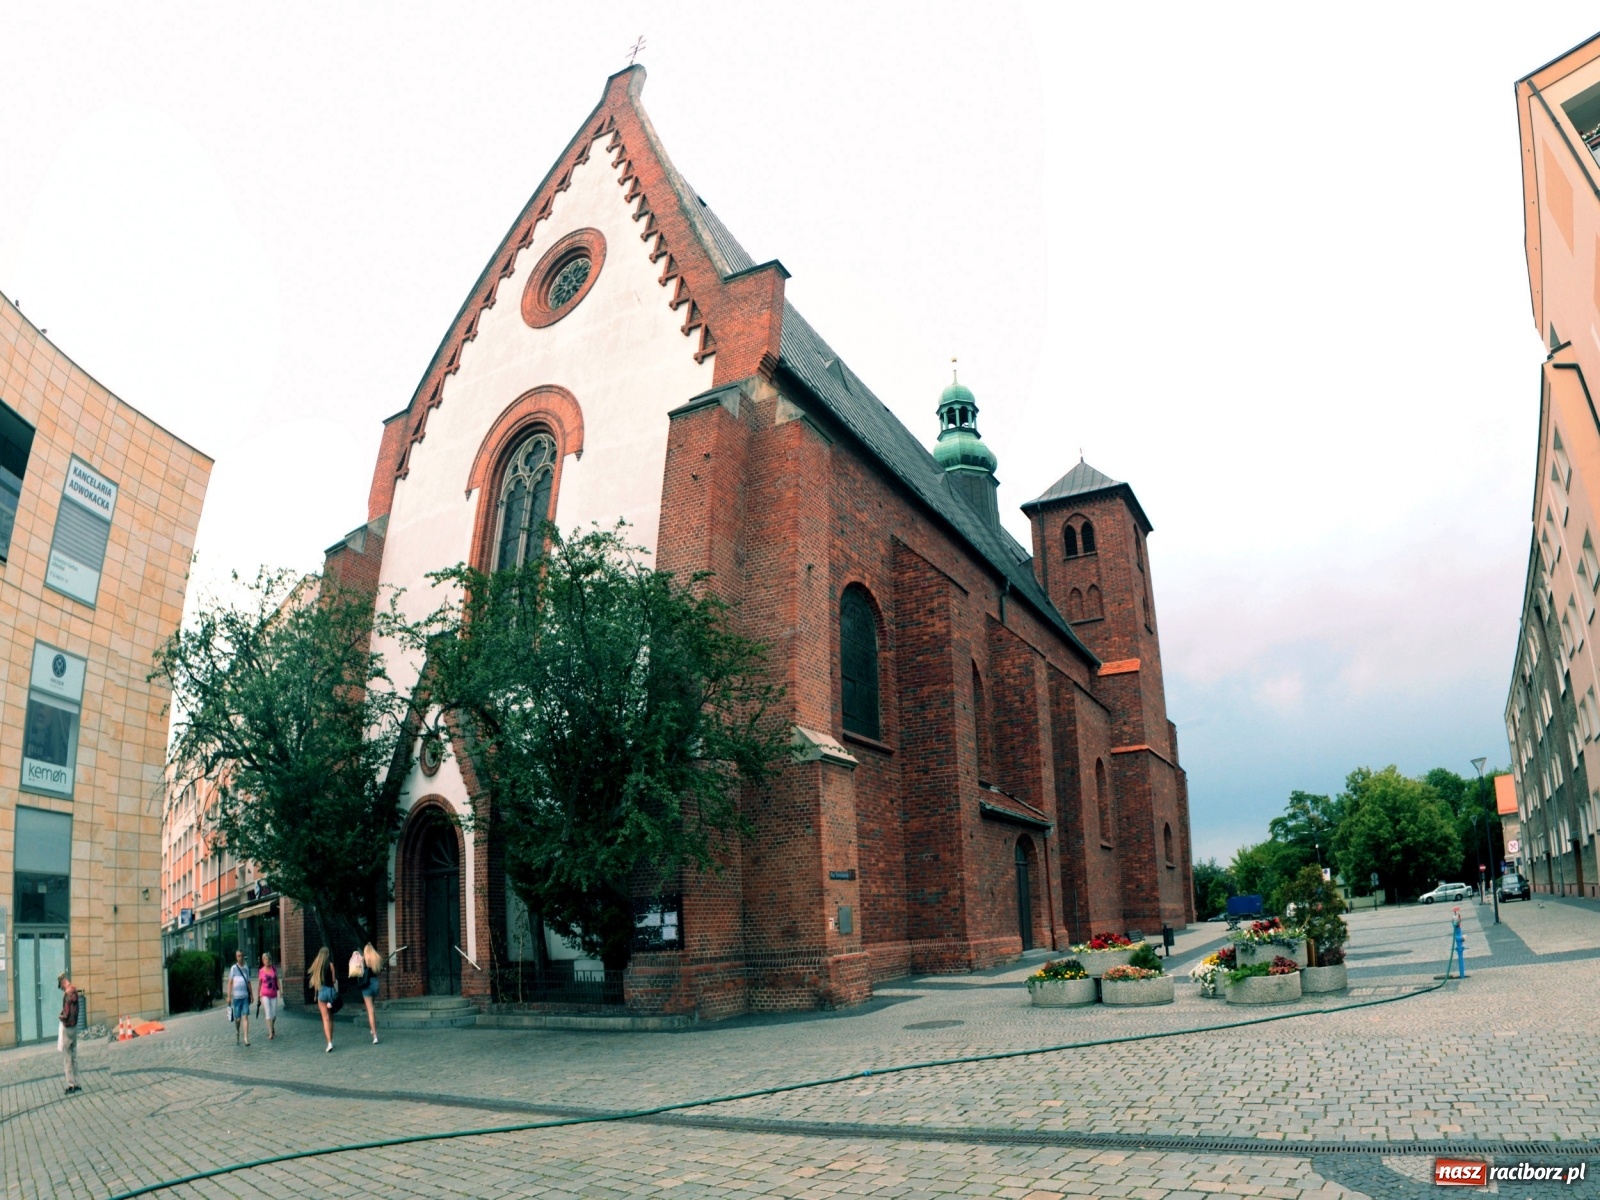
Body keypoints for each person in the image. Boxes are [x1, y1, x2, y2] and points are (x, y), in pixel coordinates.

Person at [308, 946, 337, 1052]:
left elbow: (316, 982)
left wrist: (315, 995)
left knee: (325, 1018)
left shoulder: (317, 966)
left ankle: (329, 1043)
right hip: (330, 992)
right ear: (327, 954)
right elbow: (333, 980)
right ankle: (331, 1039)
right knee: (331, 1017)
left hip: (321, 991)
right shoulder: (331, 965)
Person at [58, 972, 80, 1094]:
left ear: (63, 983)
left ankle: (70, 1085)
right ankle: (77, 1083)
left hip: (67, 1028)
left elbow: (66, 1013)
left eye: (61, 987)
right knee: (74, 1056)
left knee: (67, 1057)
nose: (62, 989)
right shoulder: (75, 991)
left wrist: (60, 1017)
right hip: (75, 1026)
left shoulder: (67, 994)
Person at [226, 950, 253, 1046]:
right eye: (238, 956)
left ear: (243, 956)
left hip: (245, 996)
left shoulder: (246, 968)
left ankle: (246, 1038)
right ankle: (237, 1030)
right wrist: (229, 996)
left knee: (245, 1016)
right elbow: (230, 983)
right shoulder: (233, 968)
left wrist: (251, 994)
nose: (240, 957)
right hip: (236, 998)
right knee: (238, 1019)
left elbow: (248, 982)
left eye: (241, 955)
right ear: (236, 957)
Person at [359, 943, 382, 1045]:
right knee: (372, 1007)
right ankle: (373, 1029)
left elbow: (359, 972)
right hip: (375, 983)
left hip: (366, 984)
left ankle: (375, 1035)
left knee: (370, 1011)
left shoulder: (363, 959)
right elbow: (379, 971)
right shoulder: (377, 958)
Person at [257, 951, 280, 1041]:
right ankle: (270, 1032)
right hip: (265, 994)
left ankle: (272, 1026)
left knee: (274, 1015)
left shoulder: (273, 968)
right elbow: (259, 984)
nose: (267, 961)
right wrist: (258, 995)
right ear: (263, 961)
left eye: (269, 959)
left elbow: (277, 979)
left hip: (273, 994)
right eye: (266, 959)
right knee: (268, 1011)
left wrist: (281, 990)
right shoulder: (261, 971)